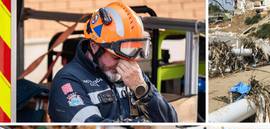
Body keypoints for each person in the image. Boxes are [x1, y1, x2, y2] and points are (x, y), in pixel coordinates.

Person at [49, 2, 177, 122]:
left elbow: (171, 121)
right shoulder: (68, 80)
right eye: (116, 57)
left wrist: (143, 90)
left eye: (130, 56)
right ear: (94, 46)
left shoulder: (132, 74)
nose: (125, 65)